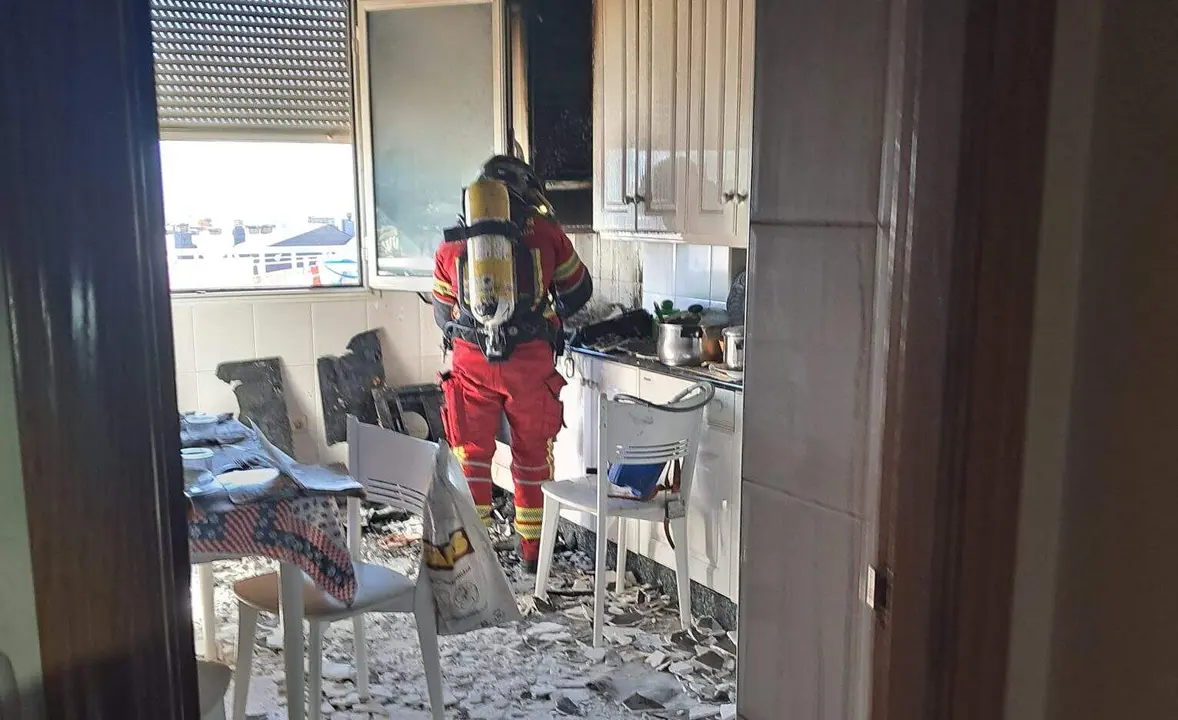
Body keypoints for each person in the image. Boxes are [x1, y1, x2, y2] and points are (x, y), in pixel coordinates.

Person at [432, 155, 592, 572]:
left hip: (472, 363)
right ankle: (533, 556)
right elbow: (579, 290)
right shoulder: (547, 233)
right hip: (530, 363)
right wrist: (549, 315)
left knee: (473, 457)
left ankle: (479, 559)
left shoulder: (453, 240)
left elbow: (441, 312)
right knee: (532, 457)